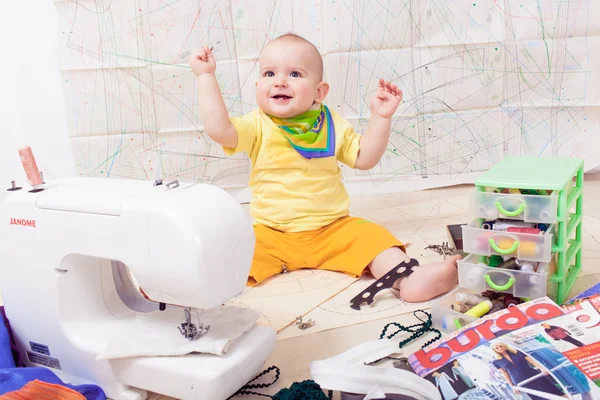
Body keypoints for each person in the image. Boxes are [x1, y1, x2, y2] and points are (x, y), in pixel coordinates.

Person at [188, 33, 461, 301]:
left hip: (333, 229)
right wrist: (205, 77)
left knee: (372, 237)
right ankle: (192, 283)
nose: (280, 81)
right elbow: (219, 129)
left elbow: (364, 159)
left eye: (295, 74)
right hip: (272, 234)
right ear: (258, 83)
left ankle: (409, 280)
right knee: (229, 251)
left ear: (320, 92)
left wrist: (380, 117)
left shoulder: (331, 124)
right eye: (269, 74)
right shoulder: (257, 124)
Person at [490, 341, 566, 400]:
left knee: (555, 392)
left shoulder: (517, 352)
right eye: (497, 348)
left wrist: (541, 368)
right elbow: (505, 374)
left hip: (533, 375)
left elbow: (531, 361)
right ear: (494, 350)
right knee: (538, 397)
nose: (500, 348)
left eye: (501, 346)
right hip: (520, 381)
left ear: (504, 346)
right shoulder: (496, 361)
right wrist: (512, 386)